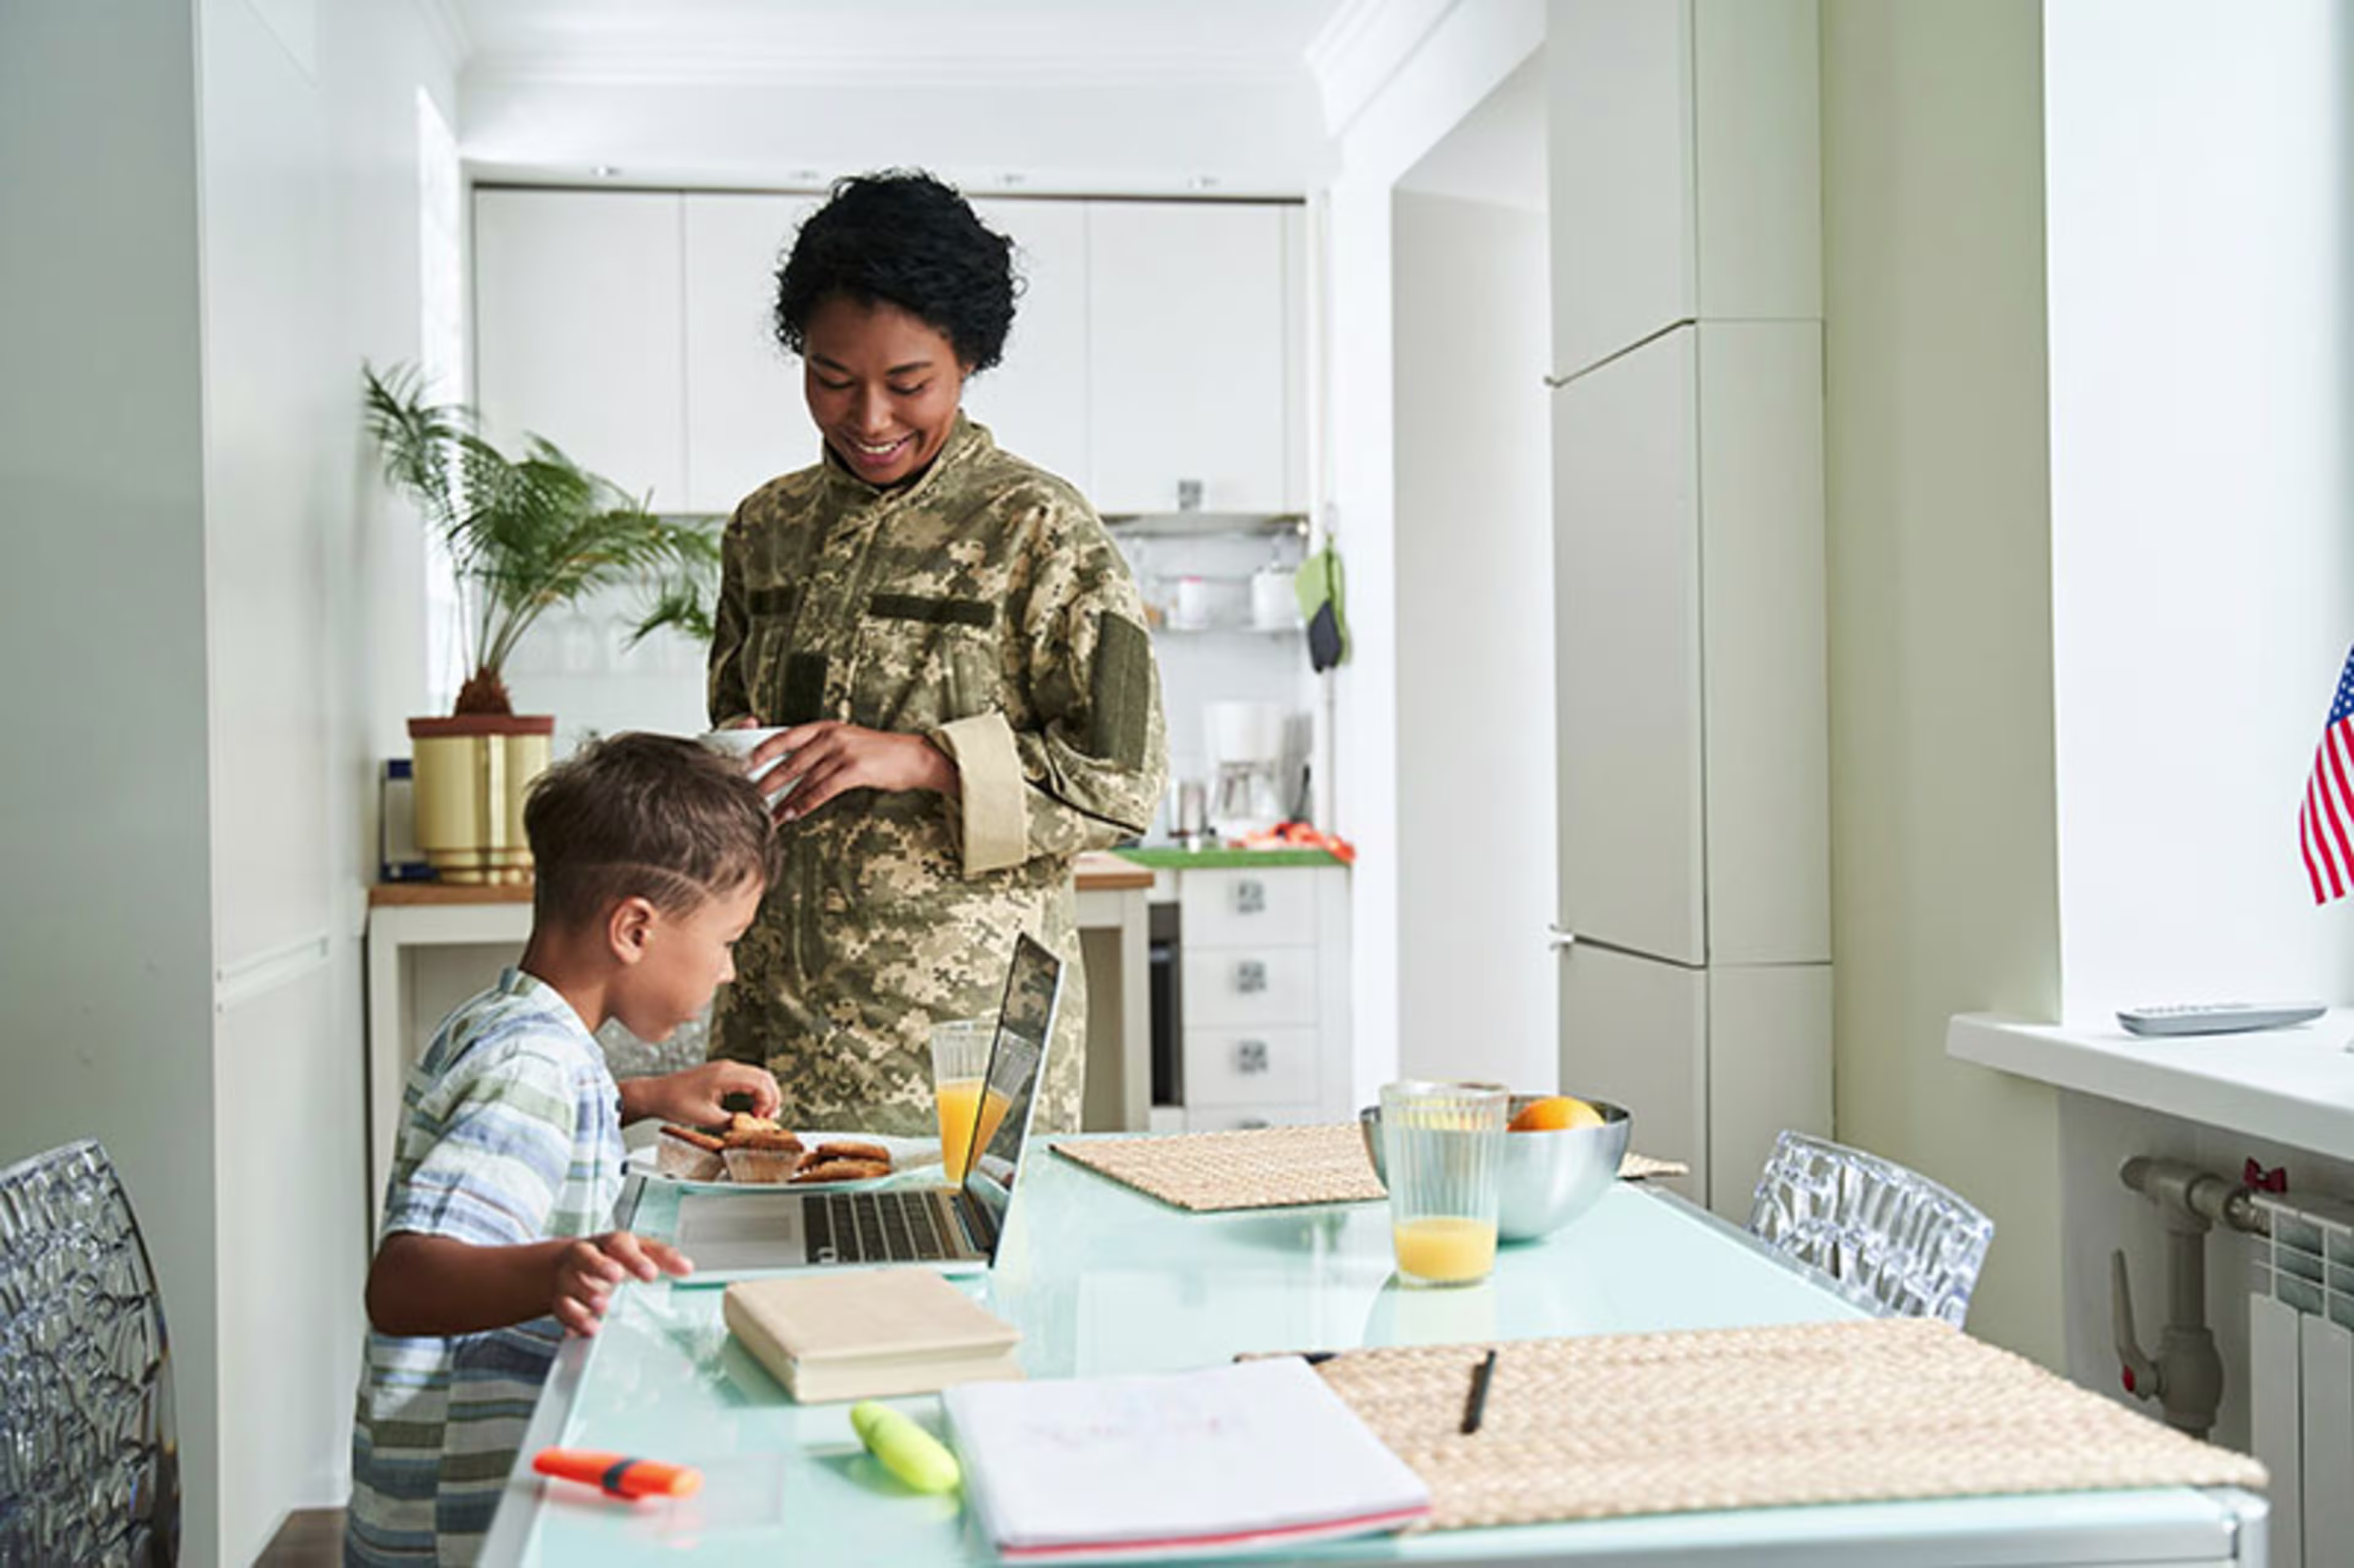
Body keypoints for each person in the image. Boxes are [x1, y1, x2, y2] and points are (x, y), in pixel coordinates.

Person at [706, 170, 1168, 1138]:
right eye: (832, 379)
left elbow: (1123, 786)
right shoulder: (766, 530)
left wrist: (923, 757)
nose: (869, 418)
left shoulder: (1041, 531)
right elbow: (734, 736)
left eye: (907, 384)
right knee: (770, 1286)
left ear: (967, 361)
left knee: (961, 1287)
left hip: (965, 1047)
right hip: (771, 1025)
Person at [345, 733, 781, 1567]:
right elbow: (403, 1281)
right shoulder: (532, 1065)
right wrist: (557, 1269)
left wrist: (646, 1097)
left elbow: (520, 1141)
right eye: (729, 939)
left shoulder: (514, 1028)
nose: (728, 970)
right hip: (459, 1533)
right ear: (635, 928)